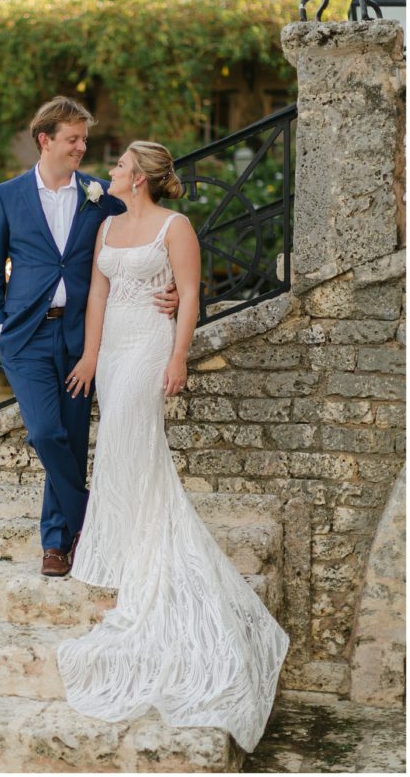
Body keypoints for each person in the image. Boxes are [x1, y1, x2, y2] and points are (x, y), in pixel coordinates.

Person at [56, 140, 290, 754]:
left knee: (135, 432)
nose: (108, 171)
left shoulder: (175, 226)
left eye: (117, 166)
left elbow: (189, 293)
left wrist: (180, 354)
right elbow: (99, 294)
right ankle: (127, 541)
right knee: (118, 446)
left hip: (152, 345)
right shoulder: (107, 224)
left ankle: (149, 554)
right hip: (111, 350)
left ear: (138, 177)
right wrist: (88, 353)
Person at [0, 99, 179, 578]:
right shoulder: (7, 195)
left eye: (84, 139)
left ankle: (57, 544)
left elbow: (145, 231)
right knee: (45, 433)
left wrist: (166, 285)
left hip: (83, 337)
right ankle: (89, 515)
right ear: (46, 139)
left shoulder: (98, 193)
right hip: (24, 338)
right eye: (73, 139)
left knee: (69, 440)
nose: (82, 147)